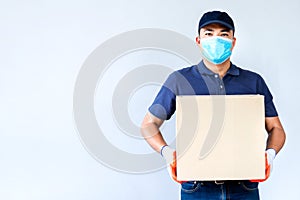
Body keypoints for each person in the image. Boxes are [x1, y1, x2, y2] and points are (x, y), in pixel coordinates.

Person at [141, 10, 286, 199]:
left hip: (244, 186)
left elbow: (276, 128)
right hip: (197, 187)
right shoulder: (179, 80)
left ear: (233, 42)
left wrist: (270, 154)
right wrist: (168, 153)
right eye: (208, 33)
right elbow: (148, 124)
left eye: (224, 34)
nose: (216, 39)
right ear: (198, 40)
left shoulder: (253, 81)